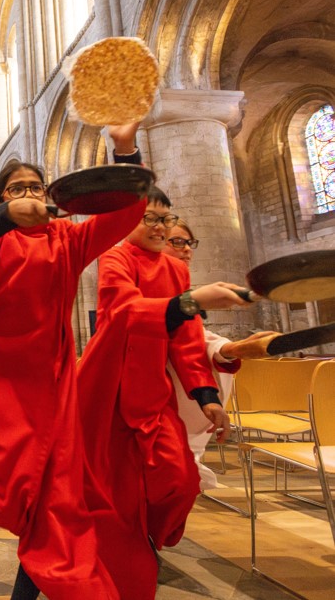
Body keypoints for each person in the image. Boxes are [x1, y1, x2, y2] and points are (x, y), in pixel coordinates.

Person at [0, 124, 147, 600]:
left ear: (49, 197)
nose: (28, 194)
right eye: (16, 189)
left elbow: (128, 211)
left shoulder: (68, 241)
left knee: (54, 495)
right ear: (1, 199)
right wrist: (2, 217)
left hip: (49, 379)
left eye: (34, 187)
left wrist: (125, 148)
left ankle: (27, 589)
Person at [76, 188, 255, 599]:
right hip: (109, 387)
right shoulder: (117, 256)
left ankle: (143, 539)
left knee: (180, 482)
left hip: (152, 391)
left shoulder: (176, 273)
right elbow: (123, 311)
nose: (159, 227)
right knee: (109, 488)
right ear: (129, 222)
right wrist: (189, 301)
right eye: (150, 218)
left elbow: (187, 340)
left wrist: (207, 396)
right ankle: (109, 562)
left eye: (166, 219)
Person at [163, 219, 278, 491]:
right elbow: (163, 333)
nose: (187, 250)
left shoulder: (183, 289)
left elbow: (194, 338)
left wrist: (233, 350)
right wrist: (232, 349)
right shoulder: (144, 281)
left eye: (190, 243)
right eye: (177, 242)